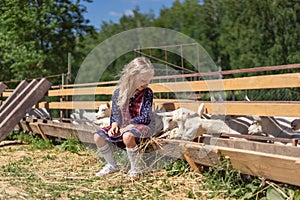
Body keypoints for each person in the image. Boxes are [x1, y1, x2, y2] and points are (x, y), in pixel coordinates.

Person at [94, 57, 155, 177]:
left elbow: (146, 117)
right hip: (123, 127)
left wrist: (130, 125)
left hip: (142, 126)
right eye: (143, 80)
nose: (146, 84)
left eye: (148, 80)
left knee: (127, 136)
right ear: (132, 77)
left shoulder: (147, 93)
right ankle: (112, 165)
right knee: (97, 136)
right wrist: (115, 125)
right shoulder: (118, 93)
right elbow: (115, 114)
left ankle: (136, 168)